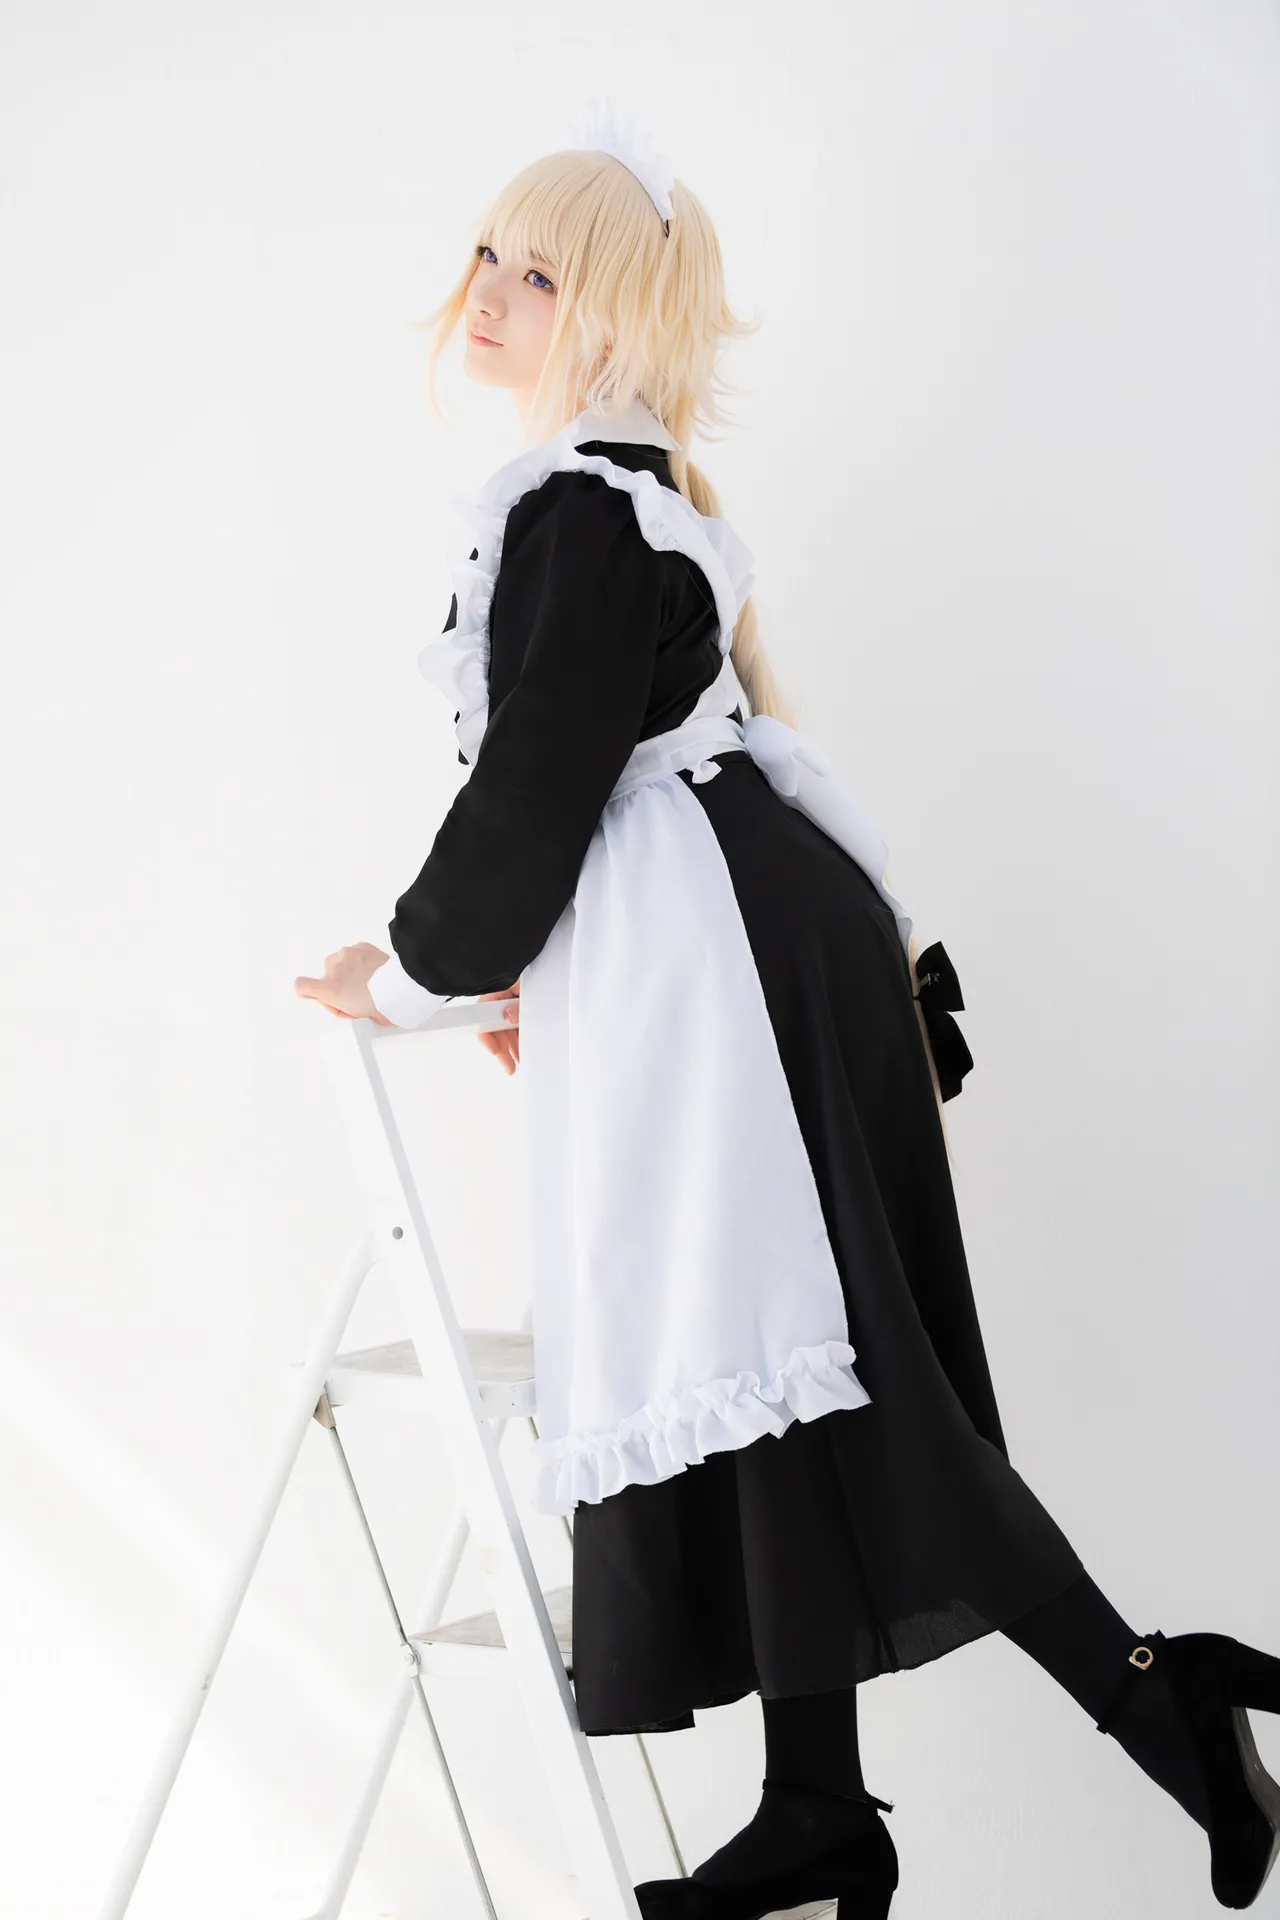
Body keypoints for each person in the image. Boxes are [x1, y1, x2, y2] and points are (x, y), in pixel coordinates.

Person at [293, 100, 1280, 1917]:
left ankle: (1163, 1699)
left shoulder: (583, 511)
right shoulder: (621, 499)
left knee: (850, 1378)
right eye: (487, 259)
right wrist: (518, 975)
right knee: (789, 1368)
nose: (490, 295)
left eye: (540, 273)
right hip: (750, 957)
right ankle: (822, 1801)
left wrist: (414, 968)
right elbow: (583, 785)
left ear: (619, 310)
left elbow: (532, 798)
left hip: (743, 980)